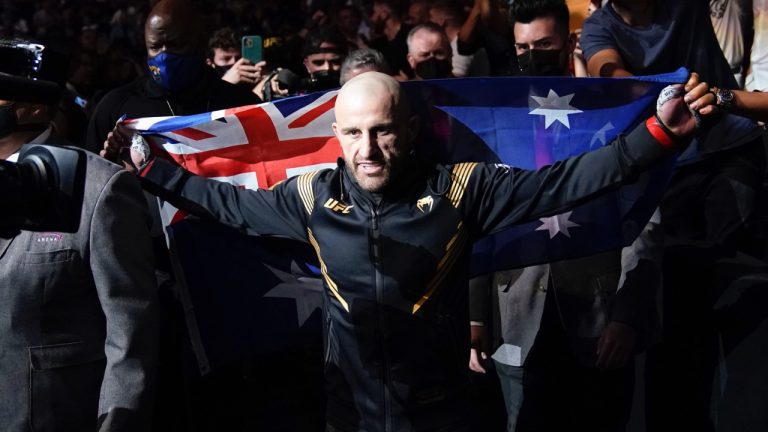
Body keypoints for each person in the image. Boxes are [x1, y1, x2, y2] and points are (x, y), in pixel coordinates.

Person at [105, 71, 706, 431]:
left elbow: (567, 182)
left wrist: (657, 134)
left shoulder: (464, 189)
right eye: (354, 133)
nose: (368, 149)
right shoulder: (311, 197)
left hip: (440, 416)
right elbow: (226, 204)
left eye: (383, 129)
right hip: (349, 415)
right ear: (335, 137)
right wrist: (150, 167)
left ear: (410, 130)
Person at [467, 1, 661, 430]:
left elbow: (645, 220)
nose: (531, 55)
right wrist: (476, 315)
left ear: (568, 42)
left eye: (544, 44)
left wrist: (628, 313)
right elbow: (479, 215)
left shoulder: (611, 111)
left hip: (598, 315)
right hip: (514, 317)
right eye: (521, 47)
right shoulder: (499, 118)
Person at [581, 1, 767, 429]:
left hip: (729, 147)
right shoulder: (598, 28)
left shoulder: (683, 6)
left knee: (726, 268)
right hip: (669, 164)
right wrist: (661, 90)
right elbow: (608, 71)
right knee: (678, 284)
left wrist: (717, 97)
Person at [0, 42, 157, 431]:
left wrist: (117, 422)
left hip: (52, 416)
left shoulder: (100, 189)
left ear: (35, 107)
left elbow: (131, 333)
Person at [85, 0, 261, 154]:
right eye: (155, 47)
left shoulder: (242, 106)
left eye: (175, 45)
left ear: (200, 42)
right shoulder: (114, 107)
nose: (165, 56)